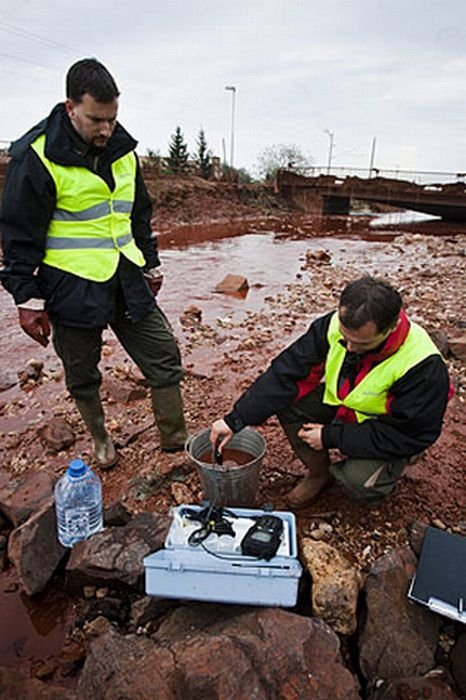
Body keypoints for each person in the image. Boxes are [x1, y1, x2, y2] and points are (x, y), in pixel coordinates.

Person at [0, 58, 187, 468]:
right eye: (96, 119)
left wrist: (150, 264)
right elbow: (17, 233)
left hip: (125, 275)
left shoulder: (124, 151)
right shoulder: (36, 155)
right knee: (82, 373)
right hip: (71, 285)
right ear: (70, 108)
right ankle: (102, 441)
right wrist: (26, 298)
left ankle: (175, 445)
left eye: (112, 118)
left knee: (164, 357)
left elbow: (139, 215)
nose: (106, 129)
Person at [210, 276, 451, 507]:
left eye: (363, 343)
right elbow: (287, 373)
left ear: (393, 326)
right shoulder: (334, 325)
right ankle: (319, 474)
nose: (350, 347)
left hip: (391, 427)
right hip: (348, 407)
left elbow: (412, 434)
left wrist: (330, 437)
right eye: (346, 338)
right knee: (288, 400)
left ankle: (393, 466)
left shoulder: (424, 367)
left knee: (358, 481)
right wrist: (235, 420)